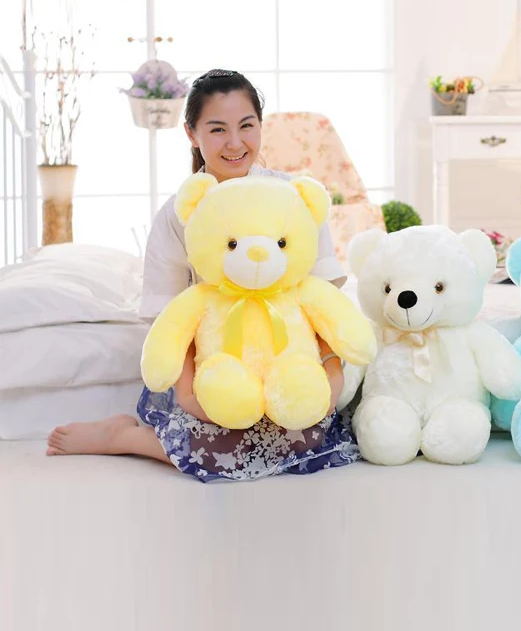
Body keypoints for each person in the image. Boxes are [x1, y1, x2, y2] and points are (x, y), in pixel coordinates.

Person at [46, 69, 359, 481]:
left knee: (309, 441)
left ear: (260, 125)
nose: (235, 143)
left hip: (288, 359)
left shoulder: (293, 198)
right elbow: (173, 313)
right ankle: (124, 437)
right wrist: (189, 392)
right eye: (217, 129)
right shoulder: (181, 213)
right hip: (212, 365)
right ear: (191, 133)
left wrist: (331, 373)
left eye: (246, 125)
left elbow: (321, 299)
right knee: (216, 448)